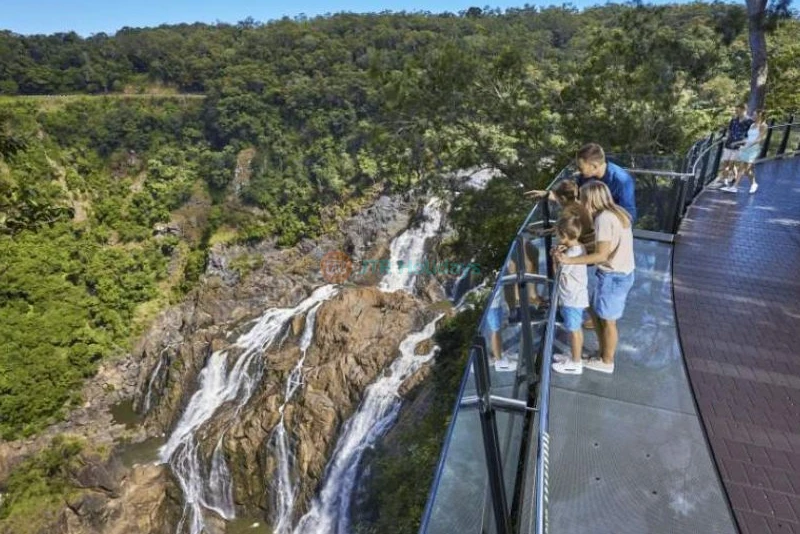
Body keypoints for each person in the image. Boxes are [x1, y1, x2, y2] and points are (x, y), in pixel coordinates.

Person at [555, 181, 635, 374]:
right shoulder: (617, 212)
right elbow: (604, 244)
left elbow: (601, 255)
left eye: (582, 199)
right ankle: (601, 354)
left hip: (613, 275)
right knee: (599, 315)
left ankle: (607, 361)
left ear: (590, 199)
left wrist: (568, 260)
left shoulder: (604, 219)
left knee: (608, 321)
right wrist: (574, 245)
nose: (581, 204)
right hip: (621, 272)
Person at [551, 216, 589, 375]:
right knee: (577, 329)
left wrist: (554, 257)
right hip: (578, 296)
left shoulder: (570, 256)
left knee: (573, 331)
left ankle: (575, 363)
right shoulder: (580, 247)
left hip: (571, 299)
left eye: (559, 234)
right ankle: (575, 355)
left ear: (564, 235)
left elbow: (557, 275)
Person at [575, 143, 637, 223]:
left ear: (594, 166)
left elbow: (629, 215)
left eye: (581, 168)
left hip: (612, 227)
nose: (578, 170)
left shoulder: (621, 180)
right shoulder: (584, 177)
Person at [722, 110, 767, 194]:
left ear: (759, 116)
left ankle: (740, 186)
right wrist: (738, 143)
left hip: (754, 149)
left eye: (754, 114)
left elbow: (759, 139)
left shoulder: (763, 126)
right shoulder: (752, 125)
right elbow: (748, 138)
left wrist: (748, 146)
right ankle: (749, 184)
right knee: (744, 169)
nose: (753, 116)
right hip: (746, 148)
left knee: (744, 169)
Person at [713, 104, 753, 188]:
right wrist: (726, 137)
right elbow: (729, 130)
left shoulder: (749, 121)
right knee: (725, 163)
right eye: (736, 110)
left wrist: (746, 143)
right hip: (729, 143)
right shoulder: (734, 120)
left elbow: (751, 134)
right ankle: (731, 178)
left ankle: (725, 180)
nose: (736, 112)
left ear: (743, 110)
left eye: (738, 111)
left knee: (730, 165)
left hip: (739, 145)